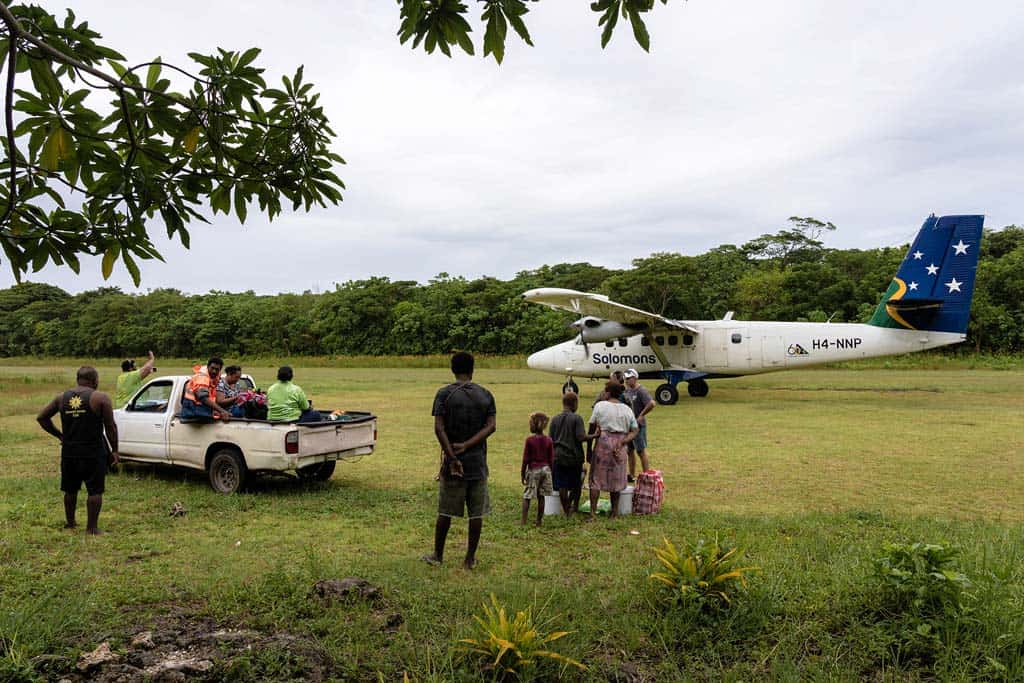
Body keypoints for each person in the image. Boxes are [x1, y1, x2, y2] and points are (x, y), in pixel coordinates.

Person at [424, 351, 496, 569]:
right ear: (472, 370)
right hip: (477, 463)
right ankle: (469, 559)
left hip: (453, 463)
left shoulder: (444, 394)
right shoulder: (485, 394)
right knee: (476, 513)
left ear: (452, 369)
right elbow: (491, 426)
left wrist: (453, 454)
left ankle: (438, 555)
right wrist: (469, 445)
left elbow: (439, 428)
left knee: (445, 510)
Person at [36, 366, 120, 535]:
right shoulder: (101, 398)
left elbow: (42, 418)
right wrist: (114, 450)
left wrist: (60, 436)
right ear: (94, 380)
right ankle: (92, 528)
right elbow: (110, 427)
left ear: (78, 379)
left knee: (70, 489)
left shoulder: (61, 398)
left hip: (69, 452)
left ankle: (71, 523)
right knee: (95, 491)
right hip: (93, 452)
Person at [587, 380, 638, 520]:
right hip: (620, 446)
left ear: (607, 392)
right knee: (617, 478)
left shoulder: (600, 406)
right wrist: (623, 441)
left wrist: (589, 449)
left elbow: (592, 426)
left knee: (595, 479)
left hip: (603, 443)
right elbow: (634, 430)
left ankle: (592, 512)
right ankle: (614, 512)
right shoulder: (627, 409)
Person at [549, 391, 596, 516]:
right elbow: (581, 437)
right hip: (574, 457)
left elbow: (551, 440)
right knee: (576, 483)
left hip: (559, 456)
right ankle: (573, 506)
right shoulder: (577, 418)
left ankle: (566, 510)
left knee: (562, 485)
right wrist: (594, 436)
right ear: (574, 403)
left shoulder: (554, 419)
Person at [520, 412, 554, 527]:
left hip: (534, 470)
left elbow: (525, 459)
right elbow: (551, 459)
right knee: (541, 496)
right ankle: (539, 521)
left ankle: (523, 521)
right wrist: (551, 472)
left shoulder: (529, 440)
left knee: (527, 496)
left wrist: (522, 473)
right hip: (546, 470)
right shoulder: (549, 440)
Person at [622, 368, 655, 481]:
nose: (627, 381)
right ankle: (631, 475)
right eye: (625, 379)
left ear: (635, 378)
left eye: (629, 378)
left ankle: (647, 475)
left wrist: (641, 415)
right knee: (629, 451)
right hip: (629, 426)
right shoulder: (626, 391)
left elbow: (651, 403)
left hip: (638, 426)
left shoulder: (641, 390)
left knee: (641, 451)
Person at [181, 357, 232, 422]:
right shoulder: (202, 377)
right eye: (212, 368)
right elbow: (203, 397)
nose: (214, 371)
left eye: (217, 369)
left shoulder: (216, 376)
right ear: (208, 367)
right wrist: (222, 411)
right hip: (192, 408)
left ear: (220, 370)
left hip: (201, 407)